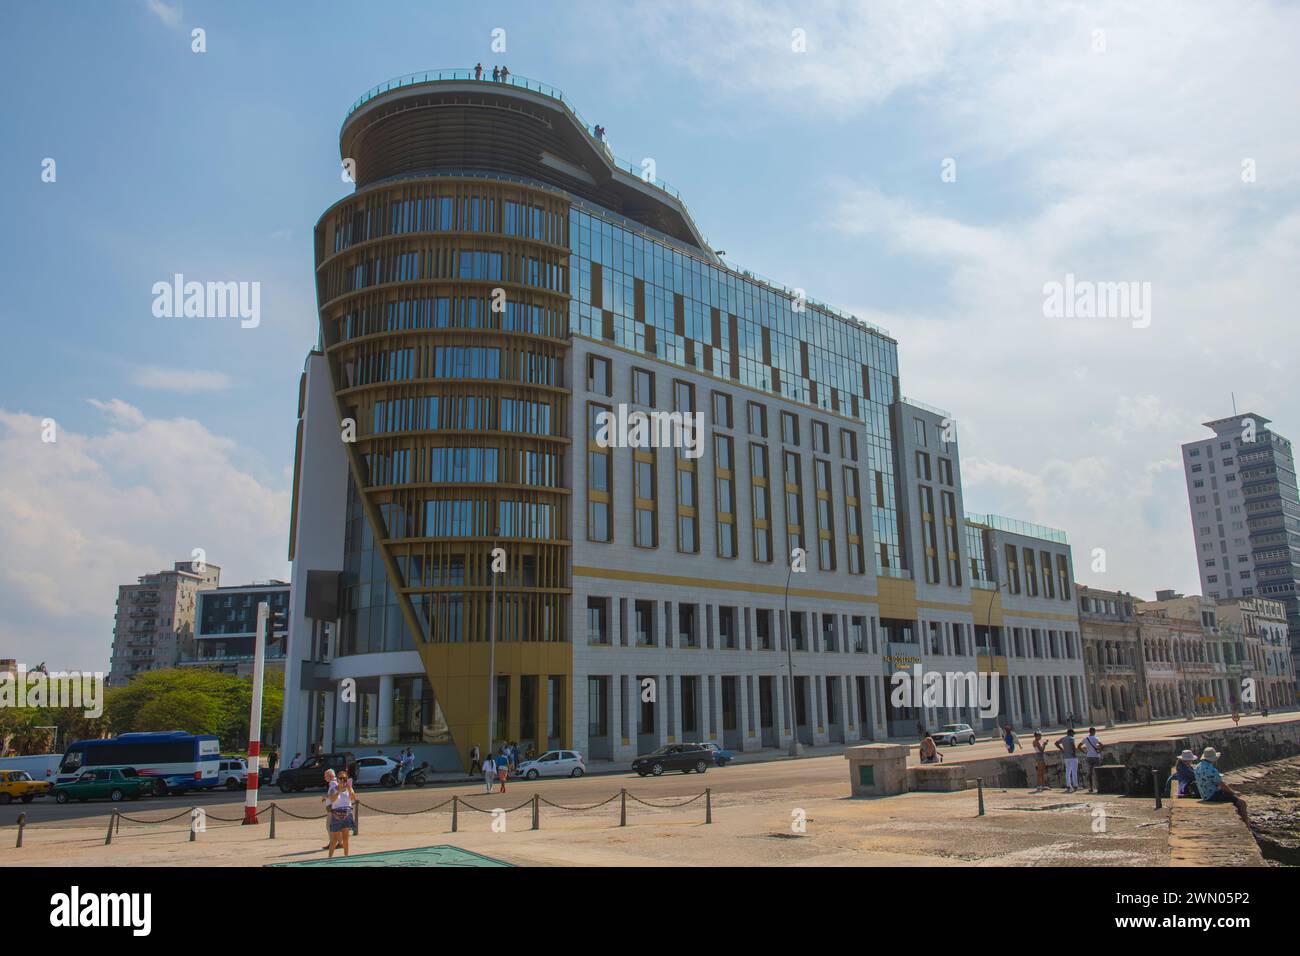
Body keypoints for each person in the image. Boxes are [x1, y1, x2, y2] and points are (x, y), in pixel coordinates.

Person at [1193, 747, 1248, 824]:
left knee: (1234, 799)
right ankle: (1247, 825)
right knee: (1242, 803)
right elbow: (1222, 785)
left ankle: (1244, 822)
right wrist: (1233, 792)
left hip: (1204, 795)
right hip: (1213, 795)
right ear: (1214, 759)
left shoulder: (1197, 767)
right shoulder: (1211, 769)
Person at [327, 770, 355, 858]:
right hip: (336, 815)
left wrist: (350, 789)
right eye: (341, 778)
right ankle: (329, 858)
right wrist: (338, 791)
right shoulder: (333, 789)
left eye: (345, 778)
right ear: (337, 779)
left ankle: (346, 857)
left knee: (345, 838)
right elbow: (332, 800)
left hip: (347, 814)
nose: (343, 780)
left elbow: (353, 798)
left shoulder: (349, 788)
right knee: (334, 839)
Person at [1080, 727, 1104, 793]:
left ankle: (1091, 788)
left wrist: (1085, 752)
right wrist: (1099, 751)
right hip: (1096, 756)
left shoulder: (1085, 738)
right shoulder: (1095, 738)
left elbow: (1079, 746)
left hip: (1089, 756)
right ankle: (1098, 787)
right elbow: (1102, 745)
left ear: (1089, 731)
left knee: (1090, 773)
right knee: (1097, 772)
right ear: (1094, 731)